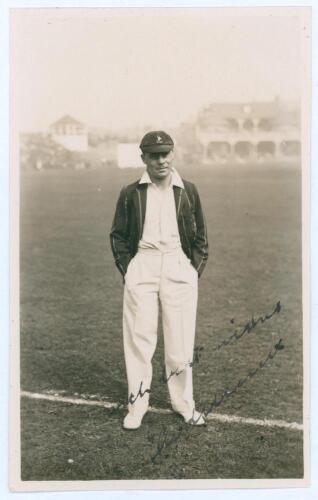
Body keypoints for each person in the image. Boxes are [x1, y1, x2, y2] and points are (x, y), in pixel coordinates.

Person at [110, 131, 208, 430]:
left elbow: (201, 236)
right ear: (144, 159)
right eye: (154, 155)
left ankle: (184, 404)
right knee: (140, 340)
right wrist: (131, 269)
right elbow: (118, 234)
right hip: (144, 264)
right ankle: (137, 406)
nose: (161, 160)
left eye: (165, 153)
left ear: (173, 154)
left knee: (179, 342)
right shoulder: (131, 193)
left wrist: (193, 269)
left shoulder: (188, 190)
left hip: (179, 264)